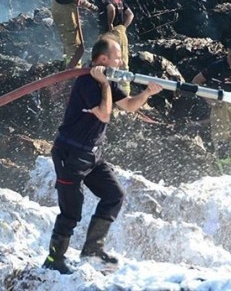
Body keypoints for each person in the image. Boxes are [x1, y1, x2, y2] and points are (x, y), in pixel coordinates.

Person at [42, 37, 163, 274]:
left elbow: (127, 105)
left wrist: (147, 92)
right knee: (71, 212)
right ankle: (54, 260)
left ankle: (92, 250)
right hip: (71, 154)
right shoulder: (87, 82)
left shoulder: (106, 79)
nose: (121, 62)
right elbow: (105, 114)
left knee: (114, 196)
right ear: (104, 59)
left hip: (91, 155)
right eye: (118, 57)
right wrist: (105, 85)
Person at [191, 38, 231, 175]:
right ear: (229, 50)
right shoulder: (217, 67)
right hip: (220, 107)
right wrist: (209, 100)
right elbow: (196, 82)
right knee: (222, 138)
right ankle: (223, 170)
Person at [89, 0, 134, 92]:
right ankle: (125, 95)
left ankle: (106, 93)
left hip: (109, 35)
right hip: (121, 33)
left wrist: (110, 24)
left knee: (104, 63)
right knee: (123, 63)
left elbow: (111, 8)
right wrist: (123, 27)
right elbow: (130, 14)